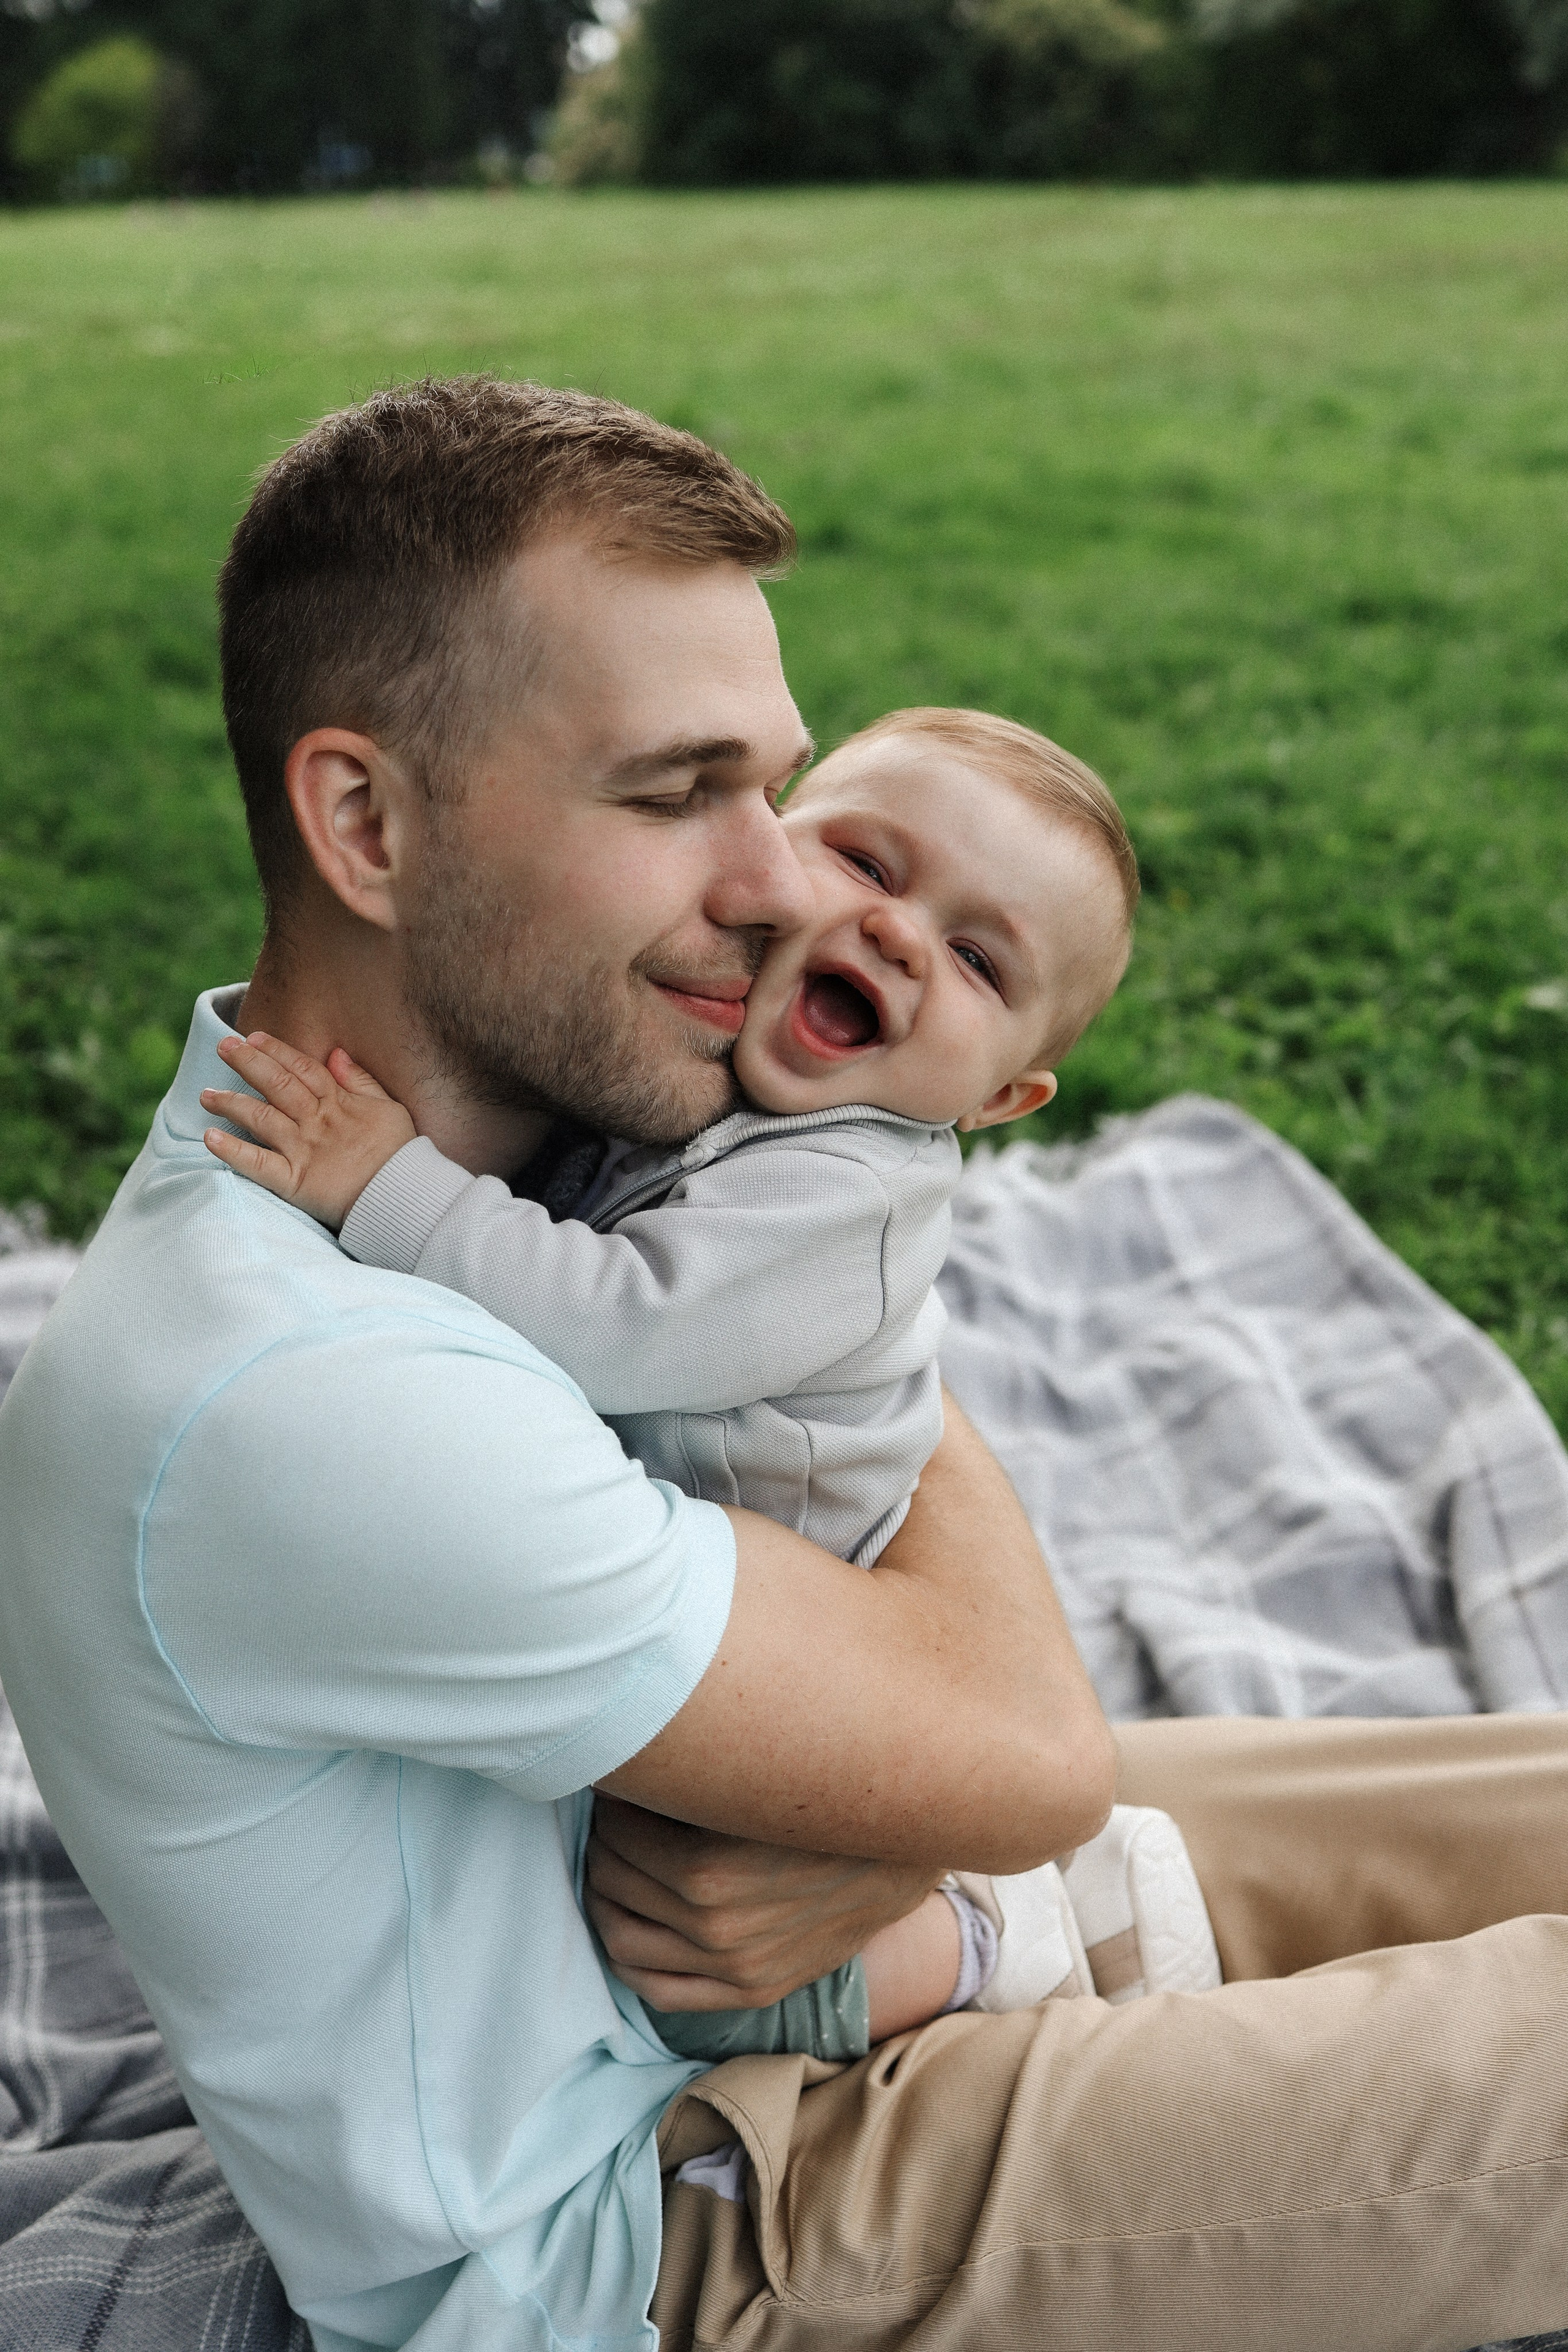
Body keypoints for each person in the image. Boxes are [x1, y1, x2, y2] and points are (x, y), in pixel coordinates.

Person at [0, 377, 1564, 2352]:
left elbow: (837, 1375)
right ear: (365, 823)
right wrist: (917, 1806)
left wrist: (896, 1786)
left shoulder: (463, 1143)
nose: (775, 886)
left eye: (777, 787)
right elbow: (1024, 1755)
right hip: (680, 2219)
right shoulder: (312, 1396)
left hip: (764, 1884)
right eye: (672, 796)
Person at [195, 700, 1224, 2057]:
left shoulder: (846, 1199)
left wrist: (385, 1184)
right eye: (864, 863)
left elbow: (614, 1322)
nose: (895, 934)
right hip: (691, 1589)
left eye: (977, 960)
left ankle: (989, 1940)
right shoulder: (723, 1070)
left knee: (689, 1963)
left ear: (996, 1101)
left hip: (803, 1659)